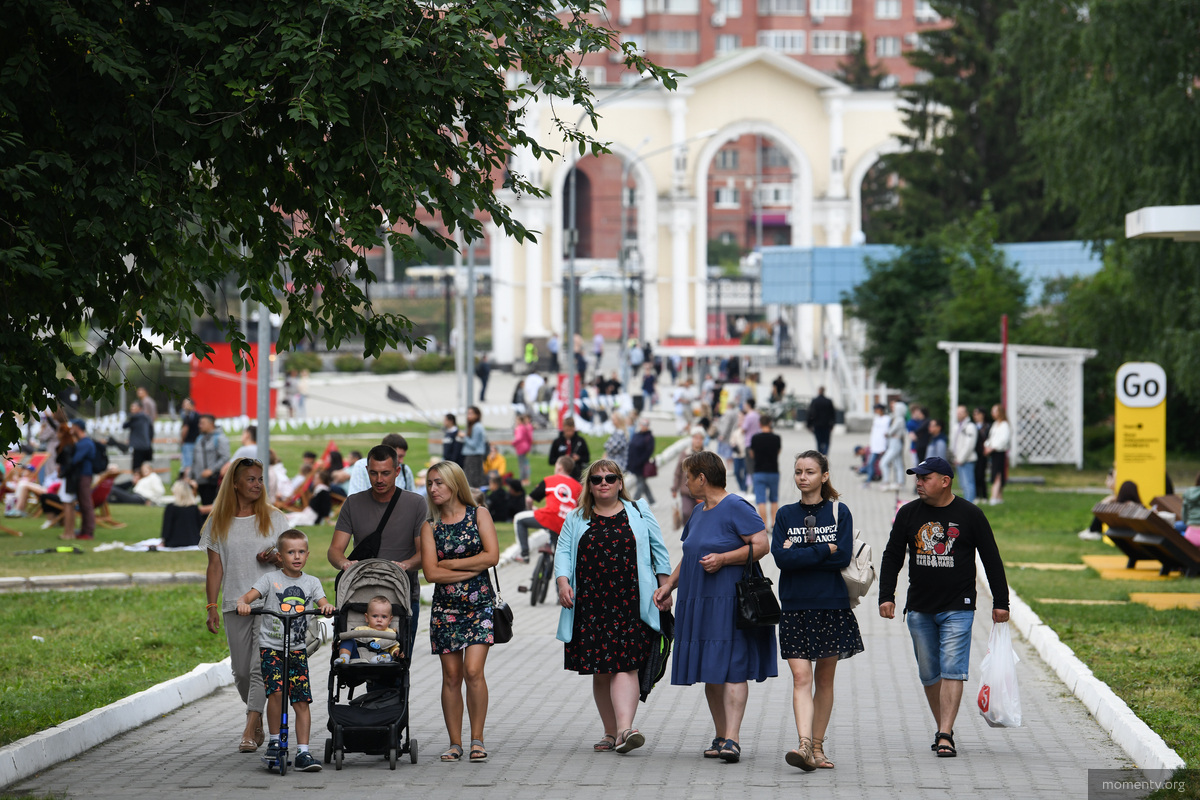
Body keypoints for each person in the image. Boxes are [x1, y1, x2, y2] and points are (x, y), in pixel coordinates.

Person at [878, 456, 1010, 759]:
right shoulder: (909, 513)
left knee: (953, 668)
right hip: (920, 607)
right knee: (929, 673)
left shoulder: (970, 515)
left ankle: (945, 733)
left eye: (925, 478)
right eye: (917, 478)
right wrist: (887, 595)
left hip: (958, 606)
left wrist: (1001, 602)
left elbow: (991, 559)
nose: (919, 483)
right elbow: (892, 555)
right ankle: (943, 728)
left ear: (945, 481)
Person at [652, 451, 777, 764]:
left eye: (688, 477)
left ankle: (733, 739)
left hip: (729, 600)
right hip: (698, 600)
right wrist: (669, 585)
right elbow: (691, 554)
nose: (687, 483)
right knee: (711, 670)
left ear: (701, 478)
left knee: (734, 666)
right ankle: (720, 735)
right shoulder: (697, 512)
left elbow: (761, 546)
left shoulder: (736, 506)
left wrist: (724, 559)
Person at [556, 459, 671, 755]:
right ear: (590, 487)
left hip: (631, 600)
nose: (603, 483)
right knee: (601, 670)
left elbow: (659, 551)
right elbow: (564, 552)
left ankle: (624, 730)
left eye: (610, 478)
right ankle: (611, 732)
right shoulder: (576, 517)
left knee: (626, 664)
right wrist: (562, 582)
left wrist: (666, 586)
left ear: (620, 482)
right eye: (597, 479)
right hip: (591, 604)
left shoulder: (638, 511)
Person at [772, 451, 862, 771]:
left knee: (824, 680)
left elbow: (844, 557)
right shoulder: (785, 515)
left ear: (824, 476)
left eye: (810, 471)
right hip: (795, 605)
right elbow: (781, 560)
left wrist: (800, 553)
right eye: (798, 471)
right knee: (800, 677)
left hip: (831, 605)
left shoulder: (839, 512)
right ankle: (804, 745)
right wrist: (825, 548)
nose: (802, 477)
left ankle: (818, 747)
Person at [201, 456, 289, 753]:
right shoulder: (218, 521)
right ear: (235, 484)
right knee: (240, 671)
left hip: (270, 603)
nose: (257, 485)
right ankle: (258, 714)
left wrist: (275, 558)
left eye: (260, 479)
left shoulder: (274, 517)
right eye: (251, 479)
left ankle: (250, 728)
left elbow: (293, 560)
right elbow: (215, 567)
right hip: (233, 604)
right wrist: (211, 606)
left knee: (258, 669)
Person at [236, 529, 334, 772]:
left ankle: (303, 752)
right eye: (291, 552)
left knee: (301, 700)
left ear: (308, 554)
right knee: (276, 695)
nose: (297, 556)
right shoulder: (270, 580)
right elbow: (249, 596)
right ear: (280, 556)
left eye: (301, 552)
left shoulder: (312, 582)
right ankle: (274, 743)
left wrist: (327, 608)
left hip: (297, 650)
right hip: (272, 649)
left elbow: (323, 603)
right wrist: (243, 604)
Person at [421, 461, 500, 763]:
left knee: (472, 671)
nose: (433, 489)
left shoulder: (479, 514)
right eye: (430, 483)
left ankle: (477, 739)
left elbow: (491, 556)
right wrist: (472, 565)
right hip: (445, 609)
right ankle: (455, 743)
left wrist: (451, 565)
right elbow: (430, 573)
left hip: (480, 606)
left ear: (455, 483)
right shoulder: (430, 526)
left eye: (438, 482)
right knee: (451, 676)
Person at [329, 444, 431, 656]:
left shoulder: (416, 504)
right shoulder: (353, 503)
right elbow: (335, 550)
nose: (379, 479)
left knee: (398, 661)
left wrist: (405, 565)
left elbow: (424, 553)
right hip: (363, 595)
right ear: (367, 471)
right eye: (374, 473)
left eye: (385, 473)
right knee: (365, 659)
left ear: (397, 471)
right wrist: (344, 563)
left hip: (402, 595)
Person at [512, 456, 581, 562]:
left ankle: (524, 554)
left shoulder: (549, 480)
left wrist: (531, 510)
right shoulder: (578, 487)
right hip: (566, 523)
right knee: (558, 552)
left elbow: (529, 500)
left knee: (518, 519)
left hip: (549, 517)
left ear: (560, 467)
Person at [335, 595, 402, 664]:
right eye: (375, 616)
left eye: (384, 617)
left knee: (388, 656)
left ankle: (379, 659)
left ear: (390, 620)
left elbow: (394, 647)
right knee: (348, 639)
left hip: (379, 656)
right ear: (366, 617)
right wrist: (339, 642)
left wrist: (396, 652)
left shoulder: (391, 634)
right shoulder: (360, 629)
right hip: (358, 656)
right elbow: (350, 642)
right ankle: (344, 658)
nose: (379, 620)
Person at [346, 433, 416, 494]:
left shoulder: (405, 470)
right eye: (399, 456)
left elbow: (413, 499)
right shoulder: (361, 466)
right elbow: (356, 500)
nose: (401, 461)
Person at [748, 416, 783, 530]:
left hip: (759, 472)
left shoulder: (755, 438)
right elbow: (778, 452)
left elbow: (752, 454)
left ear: (760, 424)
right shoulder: (776, 438)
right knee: (774, 499)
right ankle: (773, 523)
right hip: (773, 471)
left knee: (761, 500)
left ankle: (764, 525)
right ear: (770, 423)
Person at [672, 427, 709, 527]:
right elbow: (678, 472)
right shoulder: (685, 453)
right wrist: (674, 488)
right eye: (695, 438)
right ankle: (687, 535)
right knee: (686, 512)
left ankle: (698, 537)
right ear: (692, 439)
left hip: (702, 492)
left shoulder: (707, 454)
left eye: (700, 438)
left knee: (701, 516)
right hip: (686, 490)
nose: (697, 440)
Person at [68, 419, 97, 541]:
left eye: (73, 427)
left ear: (78, 428)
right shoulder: (83, 442)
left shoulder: (85, 443)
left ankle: (88, 531)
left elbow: (75, 459)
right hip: (82, 475)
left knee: (86, 504)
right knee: (83, 503)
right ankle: (84, 530)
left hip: (84, 475)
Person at [193, 415, 230, 505]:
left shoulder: (220, 438)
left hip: (213, 481)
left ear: (211, 424)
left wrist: (211, 470)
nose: (200, 425)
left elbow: (225, 457)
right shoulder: (199, 439)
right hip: (200, 480)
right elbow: (195, 459)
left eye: (202, 423)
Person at [161, 479, 207, 547]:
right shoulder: (194, 508)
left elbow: (167, 528)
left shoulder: (171, 508)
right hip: (193, 540)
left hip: (174, 542)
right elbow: (200, 527)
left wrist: (164, 541)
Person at [983, 404, 1011, 505]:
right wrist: (986, 446)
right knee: (995, 473)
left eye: (994, 411)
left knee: (997, 474)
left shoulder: (1004, 425)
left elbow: (1004, 440)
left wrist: (992, 447)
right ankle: (999, 497)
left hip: (1000, 452)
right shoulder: (995, 424)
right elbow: (991, 438)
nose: (992, 413)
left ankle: (994, 496)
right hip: (994, 452)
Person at [950, 406, 978, 503]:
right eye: (957, 412)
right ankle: (966, 503)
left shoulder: (970, 426)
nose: (959, 414)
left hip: (967, 460)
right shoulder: (957, 426)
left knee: (968, 483)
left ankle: (970, 504)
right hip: (958, 459)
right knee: (963, 484)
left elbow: (969, 445)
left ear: (966, 413)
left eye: (961, 412)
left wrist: (961, 458)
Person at [548, 417, 590, 481]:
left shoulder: (580, 441)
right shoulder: (557, 442)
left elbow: (587, 458)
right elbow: (551, 460)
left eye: (571, 430)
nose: (569, 433)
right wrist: (563, 459)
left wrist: (578, 458)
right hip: (561, 474)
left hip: (577, 474)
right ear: (563, 428)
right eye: (567, 430)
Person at [627, 417, 657, 505]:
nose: (644, 426)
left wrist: (640, 461)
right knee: (642, 482)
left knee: (640, 483)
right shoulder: (637, 435)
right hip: (633, 463)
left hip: (642, 464)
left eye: (645, 425)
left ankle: (633, 501)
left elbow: (649, 451)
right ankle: (652, 501)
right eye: (642, 424)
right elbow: (631, 447)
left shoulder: (649, 437)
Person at [879, 400, 908, 492]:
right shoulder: (895, 418)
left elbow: (890, 431)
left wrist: (888, 433)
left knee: (884, 462)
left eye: (895, 408)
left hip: (895, 443)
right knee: (898, 463)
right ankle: (899, 482)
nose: (893, 409)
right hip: (893, 443)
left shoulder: (899, 419)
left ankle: (886, 481)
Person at [122, 402, 155, 472]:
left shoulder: (134, 418)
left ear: (139, 408)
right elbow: (151, 431)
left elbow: (124, 426)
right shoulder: (147, 417)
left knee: (136, 469)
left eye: (133, 407)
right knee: (146, 468)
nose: (132, 409)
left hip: (138, 447)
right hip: (147, 446)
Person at [461, 406, 488, 489]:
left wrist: (464, 437)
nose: (468, 416)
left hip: (474, 456)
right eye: (468, 413)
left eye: (471, 413)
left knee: (471, 480)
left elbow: (473, 444)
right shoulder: (475, 426)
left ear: (477, 415)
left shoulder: (476, 427)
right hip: (474, 456)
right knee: (473, 479)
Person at [805, 387, 836, 457]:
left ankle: (820, 455)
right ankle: (825, 454)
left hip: (817, 425)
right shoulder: (828, 401)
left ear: (818, 391)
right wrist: (832, 425)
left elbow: (810, 413)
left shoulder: (814, 401)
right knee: (826, 441)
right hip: (826, 425)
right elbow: (832, 414)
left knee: (819, 441)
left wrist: (808, 424)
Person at [178, 399, 200, 480]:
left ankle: (187, 481)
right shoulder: (198, 415)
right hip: (197, 442)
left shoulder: (187, 416)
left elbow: (185, 429)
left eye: (186, 404)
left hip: (188, 442)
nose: (184, 406)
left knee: (187, 464)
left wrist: (182, 439)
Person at [972, 407, 990, 503]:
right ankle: (977, 495)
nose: (975, 416)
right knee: (975, 475)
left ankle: (984, 495)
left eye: (977, 414)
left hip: (983, 454)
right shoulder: (973, 426)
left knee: (981, 475)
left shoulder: (987, 427)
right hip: (974, 454)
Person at [513, 414, 534, 485]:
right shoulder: (525, 427)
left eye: (517, 420)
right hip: (526, 447)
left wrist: (513, 443)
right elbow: (530, 437)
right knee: (525, 464)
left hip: (521, 448)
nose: (516, 421)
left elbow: (519, 438)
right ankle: (526, 479)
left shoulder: (520, 428)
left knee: (521, 464)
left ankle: (522, 479)